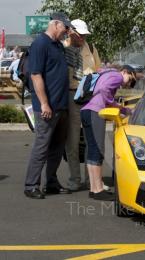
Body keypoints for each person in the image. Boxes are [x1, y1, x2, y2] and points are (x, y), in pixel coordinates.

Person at [24, 12, 74, 199]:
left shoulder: (58, 45)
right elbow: (35, 75)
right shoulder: (40, 44)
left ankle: (51, 182)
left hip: (61, 106)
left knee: (57, 147)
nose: (67, 31)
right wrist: (44, 104)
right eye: (65, 27)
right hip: (47, 107)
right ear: (55, 24)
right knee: (42, 146)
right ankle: (31, 185)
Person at [81, 65, 136, 201]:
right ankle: (98, 189)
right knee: (98, 150)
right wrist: (111, 101)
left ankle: (94, 188)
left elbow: (106, 96)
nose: (128, 84)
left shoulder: (106, 73)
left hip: (86, 111)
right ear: (124, 71)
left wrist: (125, 111)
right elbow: (104, 90)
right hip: (95, 112)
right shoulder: (117, 76)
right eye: (130, 79)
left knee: (92, 149)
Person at [64, 19, 101, 191]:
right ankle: (74, 179)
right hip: (71, 96)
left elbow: (98, 72)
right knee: (71, 140)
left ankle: (90, 180)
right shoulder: (62, 48)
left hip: (90, 96)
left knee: (90, 140)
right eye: (80, 34)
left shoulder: (91, 48)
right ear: (71, 32)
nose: (83, 38)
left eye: (85, 34)